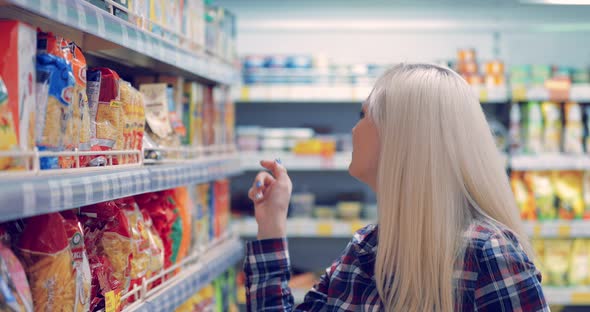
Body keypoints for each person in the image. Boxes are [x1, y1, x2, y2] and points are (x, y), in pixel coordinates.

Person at [243, 63, 548, 312]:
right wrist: (271, 223)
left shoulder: (488, 255)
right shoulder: (367, 247)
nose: (353, 129)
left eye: (364, 116)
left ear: (404, 137)